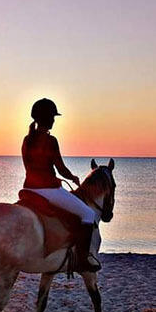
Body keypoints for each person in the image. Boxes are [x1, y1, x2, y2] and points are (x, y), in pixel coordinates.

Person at [21, 98, 99, 272]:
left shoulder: (27, 139)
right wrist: (73, 178)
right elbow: (61, 169)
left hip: (28, 189)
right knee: (88, 213)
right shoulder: (50, 141)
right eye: (53, 117)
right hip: (48, 190)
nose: (54, 120)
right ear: (47, 118)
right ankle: (83, 260)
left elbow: (28, 166)